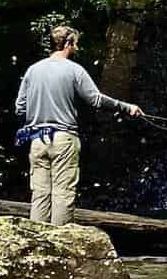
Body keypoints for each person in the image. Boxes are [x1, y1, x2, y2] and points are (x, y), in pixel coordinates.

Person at [15, 25, 143, 225]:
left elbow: (20, 108)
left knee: (39, 194)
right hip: (64, 139)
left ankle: (36, 245)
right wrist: (127, 108)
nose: (76, 47)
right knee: (63, 194)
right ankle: (60, 247)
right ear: (67, 43)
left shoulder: (33, 70)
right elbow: (96, 100)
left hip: (37, 140)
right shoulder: (75, 70)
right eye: (75, 43)